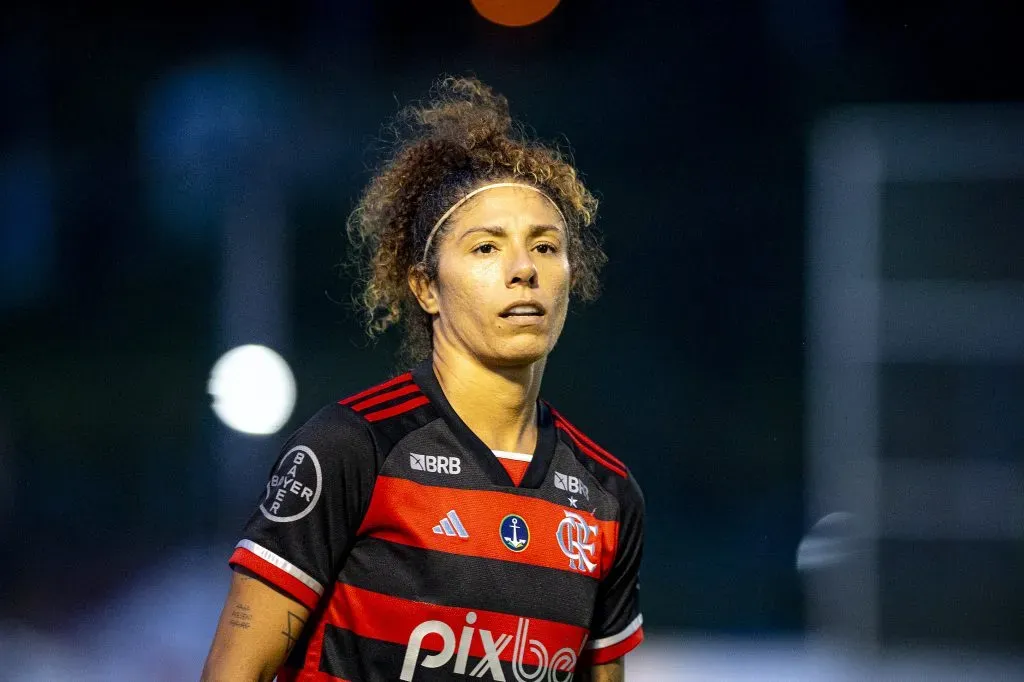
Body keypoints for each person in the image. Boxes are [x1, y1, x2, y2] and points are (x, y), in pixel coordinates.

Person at [201, 76, 645, 682]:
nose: (523, 271)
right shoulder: (351, 449)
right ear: (426, 287)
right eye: (486, 248)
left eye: (544, 246)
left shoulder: (608, 497)